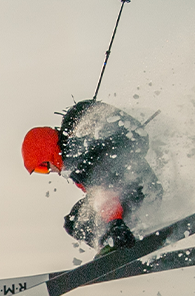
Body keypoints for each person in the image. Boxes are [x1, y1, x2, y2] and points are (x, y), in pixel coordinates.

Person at [21, 99, 161, 253]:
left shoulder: (80, 161)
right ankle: (112, 241)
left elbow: (105, 192)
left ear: (50, 152)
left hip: (143, 191)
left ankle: (115, 241)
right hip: (141, 188)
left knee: (75, 223)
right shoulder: (78, 150)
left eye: (43, 166)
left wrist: (115, 223)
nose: (49, 171)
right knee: (76, 219)